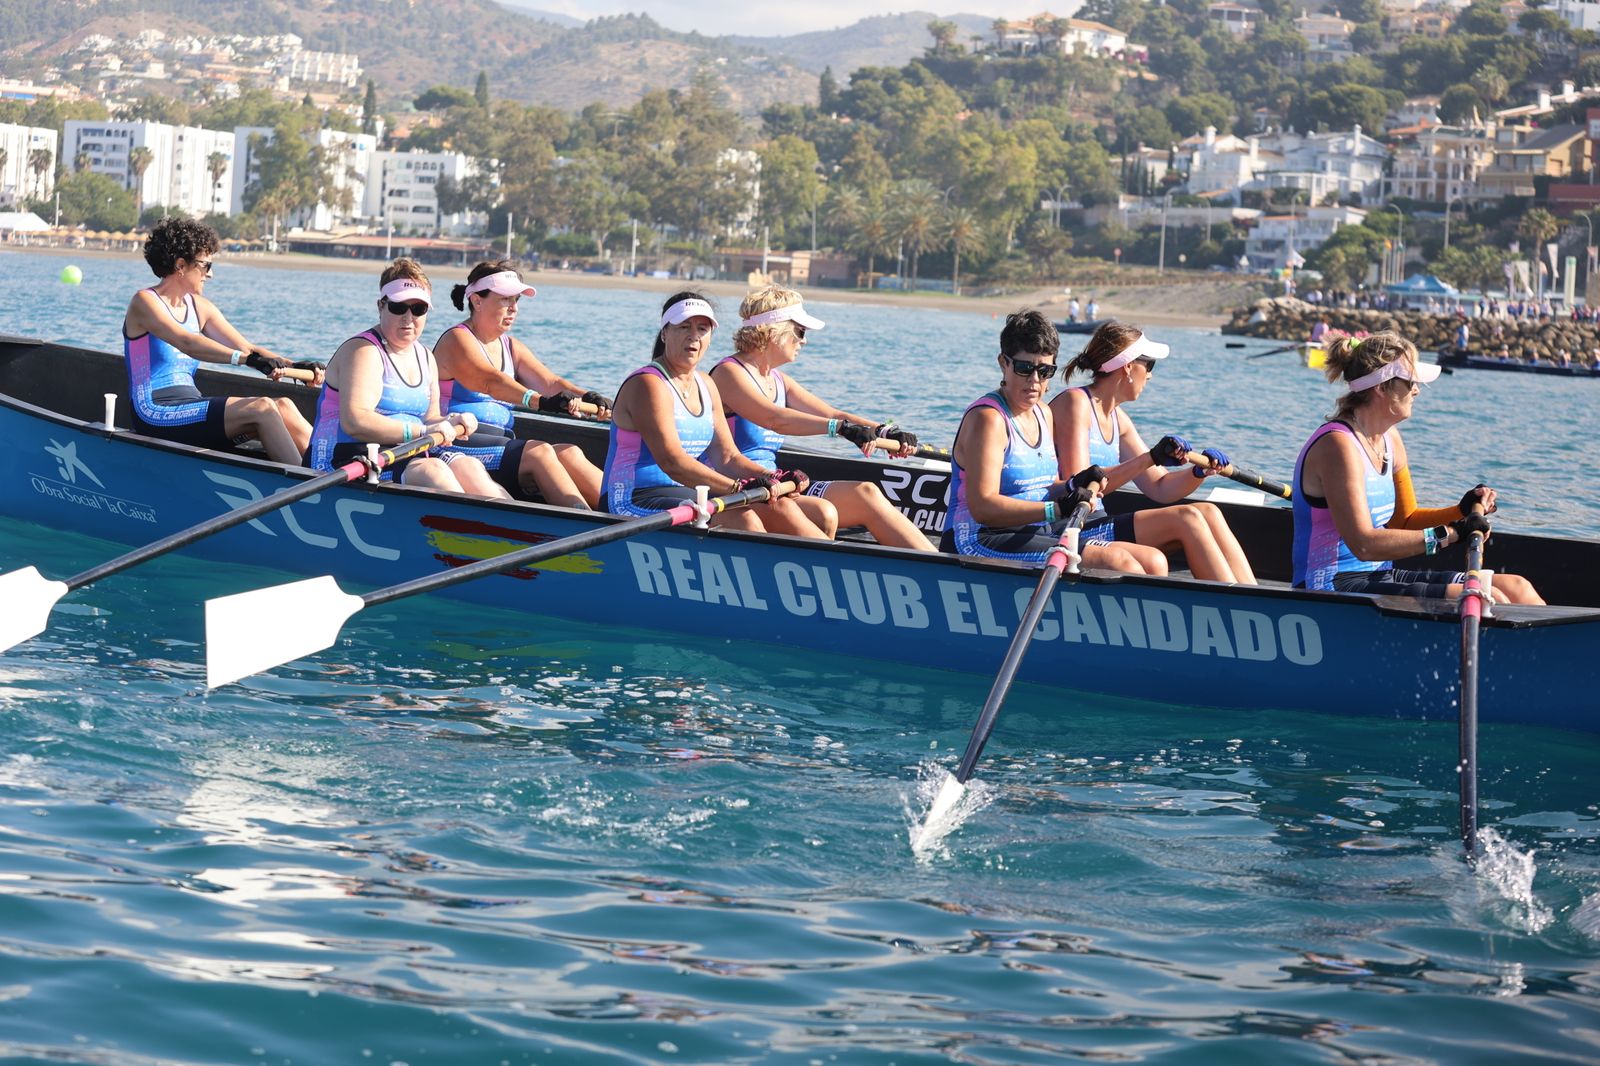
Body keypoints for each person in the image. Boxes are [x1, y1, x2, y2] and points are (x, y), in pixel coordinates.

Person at [1291, 331, 1543, 603]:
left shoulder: (1390, 439)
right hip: (1329, 585)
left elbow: (1405, 520)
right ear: (1382, 387)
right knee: (1486, 598)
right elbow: (1363, 544)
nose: (1416, 389)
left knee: (1518, 589)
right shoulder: (1338, 446)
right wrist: (1452, 534)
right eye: (1410, 381)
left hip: (1378, 575)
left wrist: (1460, 512)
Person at [710, 285, 934, 551]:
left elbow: (833, 413)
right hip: (738, 487)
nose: (803, 340)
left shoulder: (779, 380)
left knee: (866, 493)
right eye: (800, 331)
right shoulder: (728, 374)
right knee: (823, 512)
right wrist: (839, 429)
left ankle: (944, 572)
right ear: (773, 332)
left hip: (781, 483)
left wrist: (886, 431)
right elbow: (775, 418)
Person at [602, 291, 824, 535]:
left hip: (684, 493)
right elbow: (672, 462)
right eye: (683, 326)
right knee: (744, 521)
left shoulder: (706, 384)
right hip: (632, 500)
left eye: (702, 329)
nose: (693, 336)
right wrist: (739, 487)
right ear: (665, 333)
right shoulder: (648, 384)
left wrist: (773, 476)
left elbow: (727, 457)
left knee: (778, 510)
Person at [1049, 321, 1256, 583]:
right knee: (1189, 517)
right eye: (1149, 366)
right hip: (1071, 525)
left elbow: (1160, 486)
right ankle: (1237, 607)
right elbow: (1078, 485)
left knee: (1209, 511)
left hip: (1097, 521)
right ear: (1127, 367)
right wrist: (1150, 458)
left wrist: (1198, 472)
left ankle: (1257, 598)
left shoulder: (1118, 419)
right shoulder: (1075, 403)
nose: (1150, 375)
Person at [123, 217, 317, 465]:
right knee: (262, 408)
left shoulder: (200, 307)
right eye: (206, 265)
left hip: (190, 405)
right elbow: (187, 342)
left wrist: (297, 366)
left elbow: (247, 348)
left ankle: (330, 476)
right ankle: (307, 492)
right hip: (153, 411)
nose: (210, 274)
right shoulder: (144, 302)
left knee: (284, 407)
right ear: (181, 265)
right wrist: (245, 360)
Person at [307, 257, 508, 497]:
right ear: (381, 306)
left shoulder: (425, 356)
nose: (408, 317)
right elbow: (356, 422)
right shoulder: (364, 352)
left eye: (418, 309)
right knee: (432, 471)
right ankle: (470, 532)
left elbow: (431, 418)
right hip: (340, 459)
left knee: (469, 466)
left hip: (401, 452)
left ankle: (513, 531)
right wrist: (422, 432)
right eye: (399, 307)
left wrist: (453, 420)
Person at [943, 310, 1111, 564]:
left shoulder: (1044, 412)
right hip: (978, 538)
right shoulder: (988, 420)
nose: (1034, 380)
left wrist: (1071, 484)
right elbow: (983, 508)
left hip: (1031, 529)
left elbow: (1043, 487)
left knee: (1147, 558)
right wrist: (1056, 509)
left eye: (1045, 371)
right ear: (1003, 363)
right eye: (1024, 368)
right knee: (1116, 561)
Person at [433, 259, 606, 507]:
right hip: (455, 444)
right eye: (504, 299)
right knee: (539, 452)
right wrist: (538, 401)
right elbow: (491, 381)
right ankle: (585, 528)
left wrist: (590, 397)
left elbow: (551, 382)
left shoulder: (511, 347)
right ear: (477, 301)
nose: (513, 308)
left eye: (516, 300)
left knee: (570, 453)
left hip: (501, 444)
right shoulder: (456, 340)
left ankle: (627, 519)